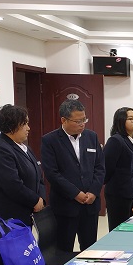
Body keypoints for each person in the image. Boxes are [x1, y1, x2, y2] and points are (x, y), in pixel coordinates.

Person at [40, 99, 105, 252]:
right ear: (64, 120)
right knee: (63, 250)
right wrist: (75, 193)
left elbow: (100, 167)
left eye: (84, 120)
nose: (82, 124)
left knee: (89, 249)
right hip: (65, 206)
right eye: (78, 121)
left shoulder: (91, 137)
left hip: (90, 205)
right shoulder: (50, 140)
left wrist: (93, 191)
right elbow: (52, 173)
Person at [0, 104, 45, 226]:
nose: (28, 128)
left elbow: (38, 175)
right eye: (24, 124)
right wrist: (34, 200)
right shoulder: (0, 150)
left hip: (25, 211)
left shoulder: (24, 147)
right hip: (6, 217)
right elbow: (12, 185)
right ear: (12, 127)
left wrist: (40, 199)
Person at [103, 107, 133, 230]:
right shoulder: (115, 140)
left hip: (132, 194)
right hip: (118, 195)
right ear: (121, 121)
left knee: (132, 230)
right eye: (130, 119)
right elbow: (106, 168)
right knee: (119, 230)